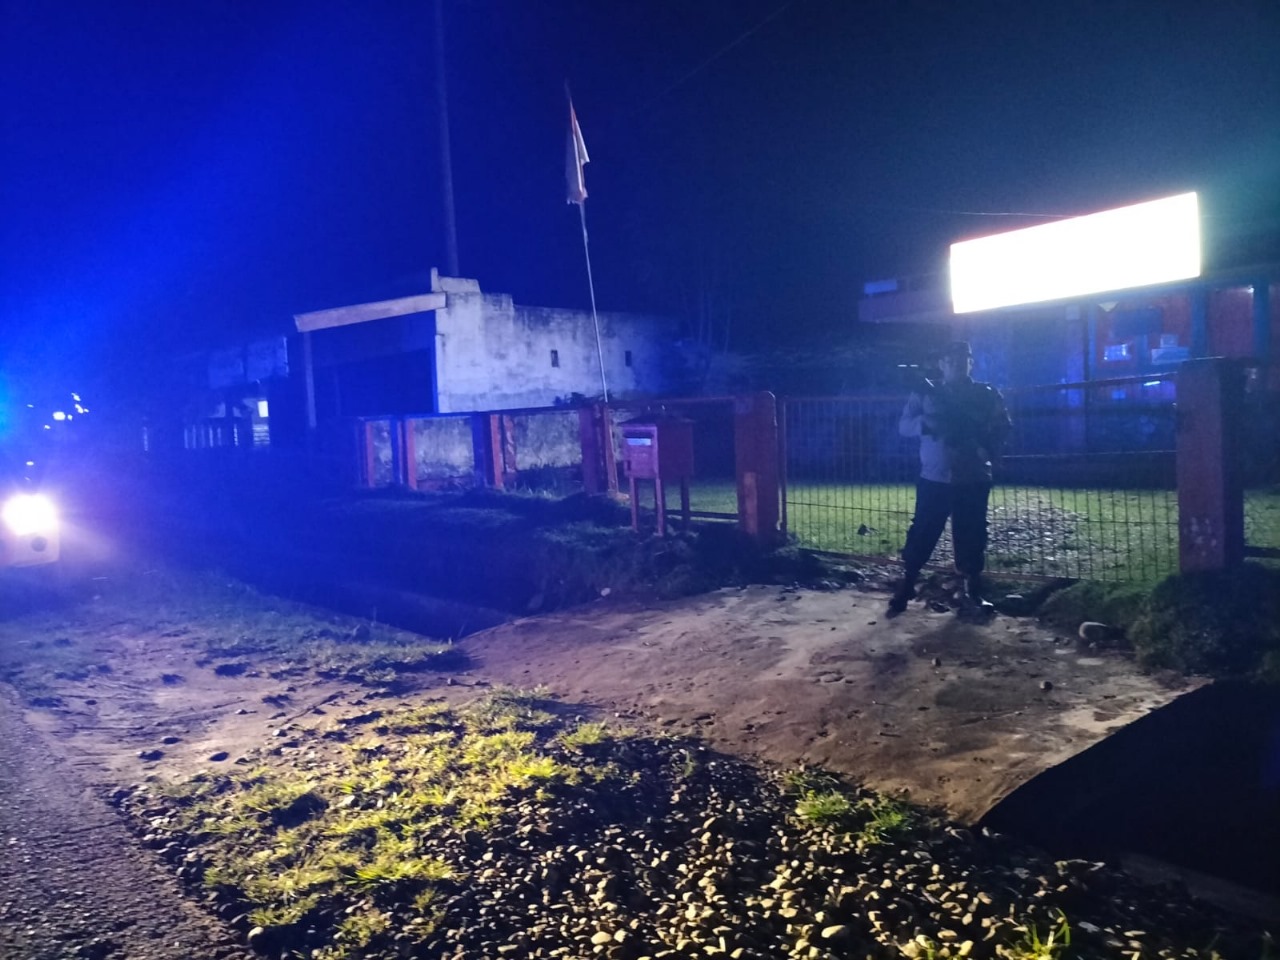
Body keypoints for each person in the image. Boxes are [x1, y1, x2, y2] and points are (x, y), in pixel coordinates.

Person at [889, 340, 1011, 616]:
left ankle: (971, 590)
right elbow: (904, 426)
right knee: (923, 531)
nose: (956, 364)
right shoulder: (926, 392)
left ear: (970, 363)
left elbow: (1003, 426)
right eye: (950, 360)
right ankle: (907, 583)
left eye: (962, 359)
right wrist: (926, 424)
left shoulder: (986, 394)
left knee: (972, 533)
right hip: (935, 477)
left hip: (973, 476)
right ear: (941, 364)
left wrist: (987, 446)